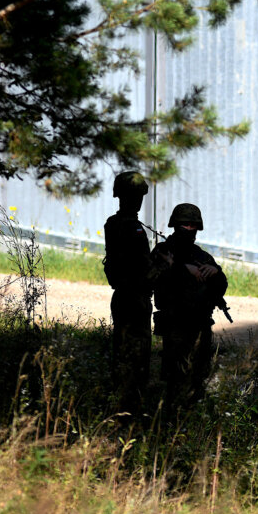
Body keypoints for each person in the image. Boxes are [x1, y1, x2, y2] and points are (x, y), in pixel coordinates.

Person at [150, 202, 228, 410]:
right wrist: (183, 269)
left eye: (194, 225)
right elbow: (155, 277)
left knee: (199, 377)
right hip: (176, 324)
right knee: (176, 379)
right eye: (186, 225)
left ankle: (192, 418)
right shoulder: (163, 252)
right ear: (176, 225)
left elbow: (221, 287)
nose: (190, 229)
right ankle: (172, 419)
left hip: (199, 324)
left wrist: (216, 273)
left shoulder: (201, 256)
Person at [102, 171, 155, 414]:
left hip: (122, 297)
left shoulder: (113, 224)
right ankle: (131, 410)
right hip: (135, 298)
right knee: (137, 358)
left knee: (122, 352)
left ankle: (120, 405)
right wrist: (164, 265)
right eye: (137, 195)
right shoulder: (133, 228)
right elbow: (143, 271)